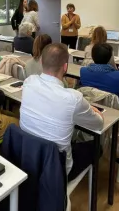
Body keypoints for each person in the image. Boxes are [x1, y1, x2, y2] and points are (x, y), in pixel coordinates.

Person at [20, 43, 103, 179]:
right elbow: (98, 125)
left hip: (28, 157)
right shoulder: (73, 98)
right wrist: (94, 109)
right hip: (56, 169)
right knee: (96, 147)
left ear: (41, 62)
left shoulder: (29, 82)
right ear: (65, 67)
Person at [80, 43, 119, 130]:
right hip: (117, 110)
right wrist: (113, 66)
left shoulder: (83, 72)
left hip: (93, 108)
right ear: (111, 58)